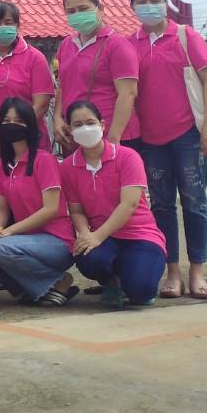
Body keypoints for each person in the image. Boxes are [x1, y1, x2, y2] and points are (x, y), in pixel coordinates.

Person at [129, 0, 207, 300]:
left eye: (155, 0)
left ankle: (197, 271)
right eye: (142, 1)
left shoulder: (185, 36)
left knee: (195, 202)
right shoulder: (130, 43)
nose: (149, 6)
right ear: (132, 6)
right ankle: (173, 272)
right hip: (150, 139)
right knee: (162, 206)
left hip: (187, 135)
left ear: (165, 3)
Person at [60, 100, 166, 307]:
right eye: (78, 125)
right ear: (70, 130)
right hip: (104, 239)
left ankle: (134, 276)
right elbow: (76, 209)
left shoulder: (127, 157)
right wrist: (85, 235)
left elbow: (129, 204)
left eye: (90, 122)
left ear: (102, 125)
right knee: (87, 258)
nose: (85, 128)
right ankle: (112, 281)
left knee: (141, 292)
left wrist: (97, 236)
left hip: (139, 234)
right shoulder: (67, 167)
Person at [0, 97, 76, 306]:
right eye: (7, 120)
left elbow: (51, 209)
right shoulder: (2, 164)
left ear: (30, 125)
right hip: (24, 240)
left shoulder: (44, 160)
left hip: (56, 241)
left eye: (19, 120)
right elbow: (2, 208)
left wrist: (9, 232)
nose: (12, 125)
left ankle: (58, 280)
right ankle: (30, 290)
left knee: (1, 248)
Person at [55, 0, 139, 151]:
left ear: (100, 8)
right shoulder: (66, 45)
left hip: (112, 136)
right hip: (77, 134)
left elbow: (128, 93)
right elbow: (62, 86)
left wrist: (114, 138)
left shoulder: (117, 45)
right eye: (71, 11)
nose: (77, 14)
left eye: (83, 9)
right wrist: (57, 118)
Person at [0, 2, 54, 180]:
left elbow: (41, 104)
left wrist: (10, 133)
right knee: (1, 192)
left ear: (17, 25)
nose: (2, 27)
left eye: (8, 22)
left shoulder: (35, 58)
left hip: (27, 143)